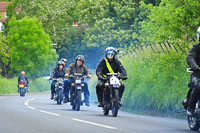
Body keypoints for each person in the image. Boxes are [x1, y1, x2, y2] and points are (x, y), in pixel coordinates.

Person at [186, 26, 200, 116]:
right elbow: (190, 57)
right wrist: (196, 66)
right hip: (198, 75)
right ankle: (190, 108)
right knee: (199, 85)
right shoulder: (196, 47)